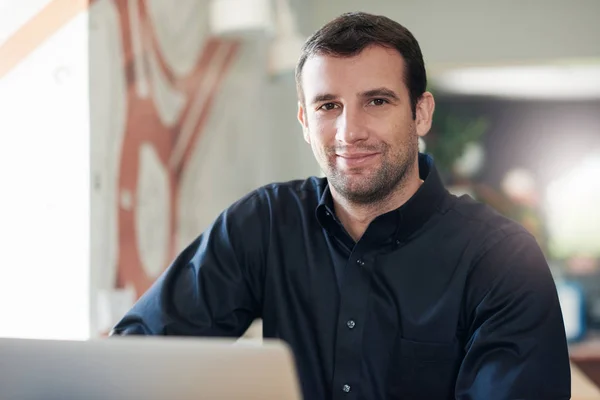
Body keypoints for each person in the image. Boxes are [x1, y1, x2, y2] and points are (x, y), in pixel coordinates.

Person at [111, 12, 571, 399]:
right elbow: (135, 356)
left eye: (376, 101)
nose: (350, 132)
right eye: (328, 106)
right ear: (304, 121)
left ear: (421, 112)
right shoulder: (265, 223)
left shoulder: (503, 258)